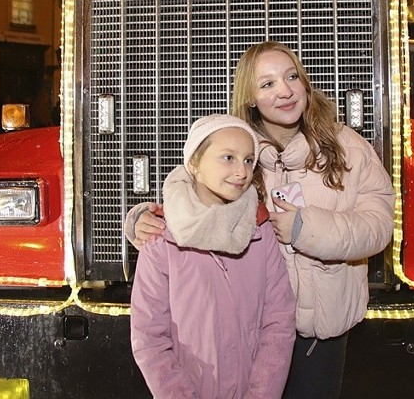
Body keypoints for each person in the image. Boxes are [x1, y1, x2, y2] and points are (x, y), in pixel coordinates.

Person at [128, 41, 396, 398]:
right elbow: (192, 184)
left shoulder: (345, 146)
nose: (284, 91)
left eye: (291, 77)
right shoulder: (240, 150)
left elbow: (379, 225)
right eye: (267, 84)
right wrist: (143, 219)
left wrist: (307, 229)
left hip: (319, 330)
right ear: (251, 97)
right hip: (249, 332)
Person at [130, 114, 295, 399]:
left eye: (247, 160)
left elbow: (279, 322)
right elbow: (149, 337)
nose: (242, 172)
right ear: (194, 163)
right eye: (228, 157)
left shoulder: (260, 230)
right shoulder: (160, 236)